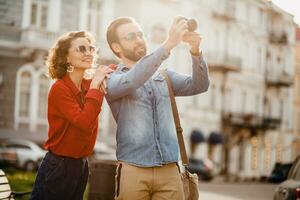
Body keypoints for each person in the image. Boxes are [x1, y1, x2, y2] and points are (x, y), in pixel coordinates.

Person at [105, 17, 210, 200]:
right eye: (130, 36)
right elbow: (133, 80)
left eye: (140, 34)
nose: (139, 39)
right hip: (133, 169)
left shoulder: (164, 76)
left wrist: (195, 51)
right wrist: (169, 44)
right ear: (117, 47)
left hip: (169, 170)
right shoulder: (112, 79)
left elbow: (199, 85)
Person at [30, 31, 113, 200]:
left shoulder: (88, 85)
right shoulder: (60, 89)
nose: (88, 52)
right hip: (59, 165)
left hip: (81, 164)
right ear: (66, 58)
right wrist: (96, 87)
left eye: (90, 48)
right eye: (81, 49)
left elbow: (115, 73)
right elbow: (83, 121)